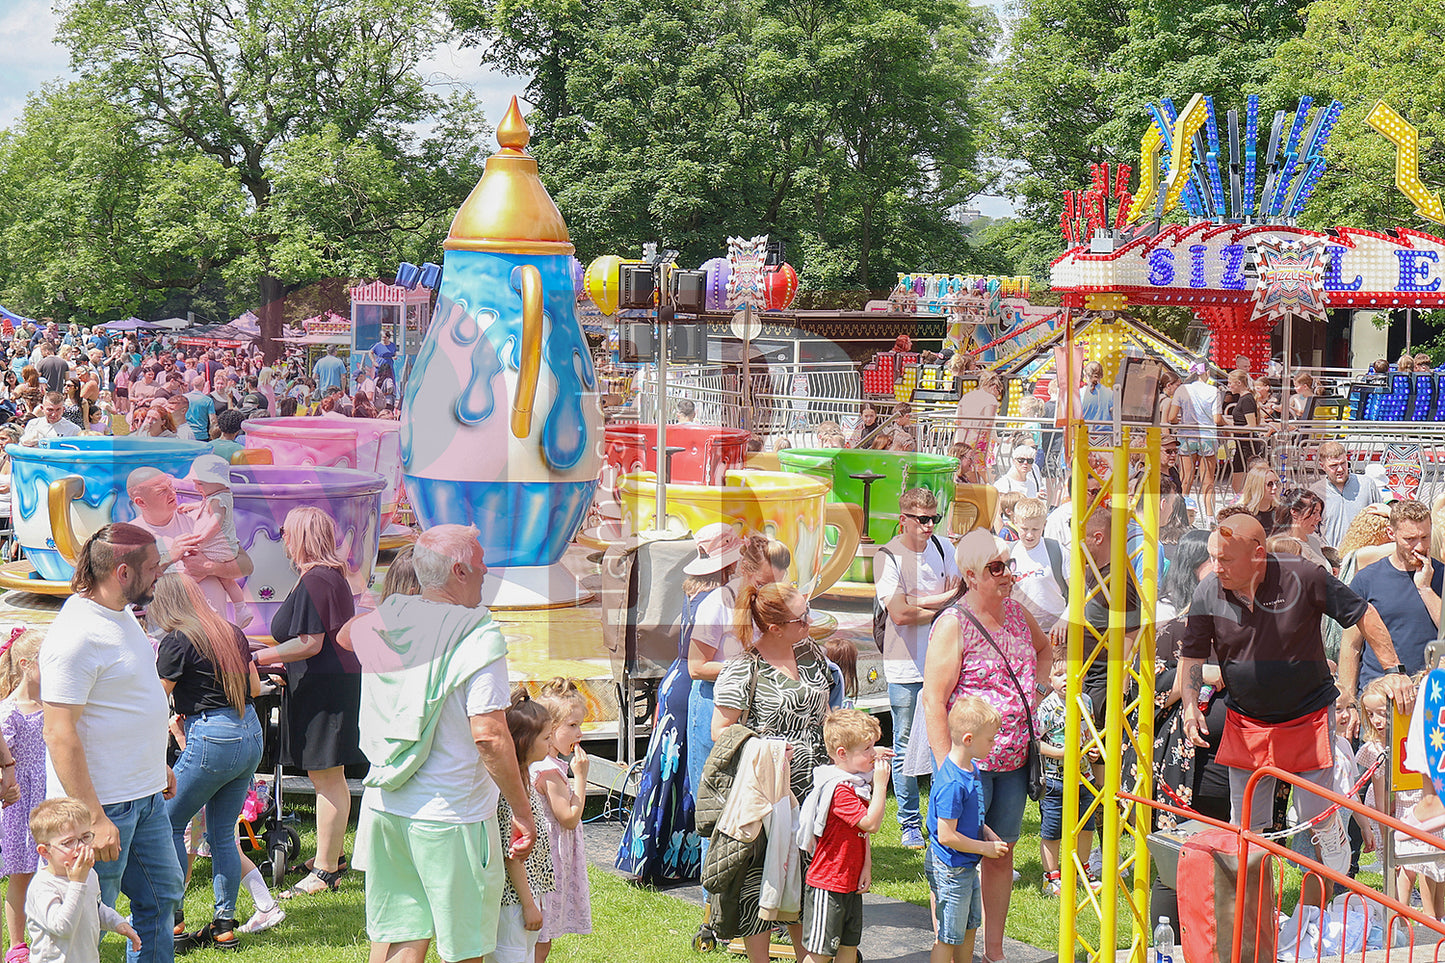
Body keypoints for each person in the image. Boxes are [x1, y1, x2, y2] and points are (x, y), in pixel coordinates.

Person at [1179, 515, 1414, 892]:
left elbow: (1362, 612)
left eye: (1225, 560)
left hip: (1308, 715)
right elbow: (1191, 655)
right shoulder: (1209, 590)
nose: (1215, 568)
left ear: (1258, 555)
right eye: (1213, 557)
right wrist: (1191, 704)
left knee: (1315, 816)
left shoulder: (1303, 576)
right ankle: (1255, 911)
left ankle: (1337, 892)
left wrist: (1394, 669)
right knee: (1247, 826)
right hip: (1246, 719)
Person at [345, 525, 536, 963]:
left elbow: (345, 636)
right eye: (481, 559)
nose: (488, 568)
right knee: (465, 949)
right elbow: (488, 735)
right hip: (453, 815)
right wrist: (522, 812)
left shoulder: (392, 615)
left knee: (401, 940)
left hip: (387, 806)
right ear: (459, 570)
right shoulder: (477, 633)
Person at [40, 524, 183, 963]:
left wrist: (155, 764)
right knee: (85, 924)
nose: (160, 574)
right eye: (153, 567)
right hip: (101, 808)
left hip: (145, 795)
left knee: (162, 898)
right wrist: (95, 819)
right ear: (123, 572)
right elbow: (59, 732)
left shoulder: (120, 614)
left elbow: (128, 701)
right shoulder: (76, 635)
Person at [921, 530, 1049, 963]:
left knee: (1002, 854)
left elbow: (1045, 648)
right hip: (970, 769)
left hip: (1014, 763)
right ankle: (950, 948)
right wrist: (946, 770)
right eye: (997, 568)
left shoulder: (1017, 614)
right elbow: (933, 699)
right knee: (957, 858)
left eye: (1009, 565)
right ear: (971, 575)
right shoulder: (954, 624)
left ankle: (994, 952)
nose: (1007, 575)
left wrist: (1039, 688)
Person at [711, 582, 833, 963]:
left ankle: (806, 958)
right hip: (769, 792)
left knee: (809, 877)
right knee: (760, 881)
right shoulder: (743, 667)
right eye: (802, 618)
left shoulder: (811, 652)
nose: (810, 622)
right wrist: (769, 750)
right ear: (776, 627)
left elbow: (824, 712)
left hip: (815, 787)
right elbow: (722, 732)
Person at [149, 574, 263, 952]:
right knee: (222, 833)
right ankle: (224, 926)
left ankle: (175, 924)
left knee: (166, 821)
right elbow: (256, 689)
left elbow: (154, 699)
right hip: (249, 730)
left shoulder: (177, 640)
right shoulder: (230, 631)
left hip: (213, 737)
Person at [254, 507, 362, 899]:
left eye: (285, 531)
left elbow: (309, 643)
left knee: (327, 777)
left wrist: (256, 659)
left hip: (325, 689)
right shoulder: (326, 577)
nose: (282, 538)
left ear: (300, 536)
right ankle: (328, 858)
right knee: (325, 776)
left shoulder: (317, 579)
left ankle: (326, 870)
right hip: (324, 683)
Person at [875, 488, 959, 848]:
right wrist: (940, 601)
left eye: (933, 518)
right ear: (903, 519)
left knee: (947, 739)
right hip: (904, 665)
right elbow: (899, 614)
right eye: (922, 519)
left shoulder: (944, 548)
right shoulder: (888, 556)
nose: (929, 526)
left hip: (942, 661)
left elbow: (960, 593)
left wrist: (919, 602)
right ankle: (909, 822)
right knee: (906, 742)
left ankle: (942, 818)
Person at [685, 532, 789, 803]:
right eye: (763, 583)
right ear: (745, 570)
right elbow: (696, 668)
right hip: (712, 703)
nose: (769, 591)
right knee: (714, 802)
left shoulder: (769, 604)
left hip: (752, 705)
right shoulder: (717, 604)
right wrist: (749, 669)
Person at [795, 709, 892, 963]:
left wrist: (866, 866)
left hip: (849, 880)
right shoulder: (840, 790)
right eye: (868, 748)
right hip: (829, 884)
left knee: (848, 948)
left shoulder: (855, 782)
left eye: (874, 746)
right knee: (820, 954)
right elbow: (871, 823)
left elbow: (861, 834)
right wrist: (881, 784)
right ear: (842, 754)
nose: (874, 754)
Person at [923, 697, 1009, 963]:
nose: (994, 744)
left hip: (965, 866)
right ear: (969, 739)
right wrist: (985, 848)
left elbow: (968, 815)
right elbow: (947, 835)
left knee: (970, 926)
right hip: (951, 869)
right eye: (990, 740)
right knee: (948, 937)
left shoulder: (970, 768)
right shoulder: (952, 783)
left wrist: (984, 831)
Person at [1341, 499, 1443, 698]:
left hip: (1430, 696)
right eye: (1410, 539)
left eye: (1425, 537)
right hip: (1379, 697)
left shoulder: (1442, 576)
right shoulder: (1367, 579)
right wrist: (1348, 702)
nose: (1420, 546)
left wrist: (1425, 588)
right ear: (1392, 535)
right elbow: (1351, 645)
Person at [24, 798, 142, 963]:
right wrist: (77, 883)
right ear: (45, 851)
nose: (80, 846)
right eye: (69, 842)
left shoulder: (89, 874)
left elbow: (94, 907)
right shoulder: (43, 886)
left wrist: (118, 923)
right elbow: (62, 927)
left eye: (86, 837)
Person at [531, 680, 592, 961]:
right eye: (572, 726)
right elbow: (567, 818)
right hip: (549, 861)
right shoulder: (550, 772)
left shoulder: (542, 764)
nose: (579, 733)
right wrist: (581, 776)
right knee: (542, 939)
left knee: (542, 936)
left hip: (550, 856)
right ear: (550, 728)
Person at [495, 693, 555, 963]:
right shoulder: (510, 793)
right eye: (546, 737)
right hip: (512, 902)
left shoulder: (525, 781)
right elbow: (513, 856)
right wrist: (529, 905)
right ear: (523, 742)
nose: (551, 742)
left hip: (527, 895)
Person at [1037, 653, 1100, 897]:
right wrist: (1061, 753)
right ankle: (1051, 876)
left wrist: (1093, 749)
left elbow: (1090, 731)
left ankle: (1082, 870)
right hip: (1055, 780)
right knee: (1052, 830)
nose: (1066, 679)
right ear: (1050, 678)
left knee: (1086, 826)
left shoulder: (1086, 701)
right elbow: (1034, 743)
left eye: (1073, 673)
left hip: (1085, 778)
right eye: (1060, 674)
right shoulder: (1046, 708)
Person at [1, 629, 46, 963]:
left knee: (49, 869)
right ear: (27, 665)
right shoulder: (10, 711)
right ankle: (18, 946)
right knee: (22, 873)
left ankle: (47, 934)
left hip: (49, 798)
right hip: (20, 805)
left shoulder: (52, 705)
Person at [179, 456, 250, 627]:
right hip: (226, 549)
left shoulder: (218, 500)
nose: (196, 487)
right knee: (226, 580)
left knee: (190, 574)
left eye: (200, 483)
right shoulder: (220, 495)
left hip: (216, 548)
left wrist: (203, 537)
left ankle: (179, 602)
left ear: (215, 481)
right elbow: (207, 505)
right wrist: (194, 506)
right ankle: (241, 609)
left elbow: (216, 521)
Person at [1167, 361, 1220, 524]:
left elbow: (1171, 417)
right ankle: (1210, 517)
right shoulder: (1214, 391)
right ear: (1208, 373)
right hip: (1208, 438)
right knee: (1208, 480)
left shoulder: (1182, 390)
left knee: (1185, 478)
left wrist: (1179, 421)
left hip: (1187, 437)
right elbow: (1217, 418)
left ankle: (1182, 513)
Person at [1310, 440, 1383, 549]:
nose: (1340, 469)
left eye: (1343, 463)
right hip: (1331, 559)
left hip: (1363, 555)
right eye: (1333, 466)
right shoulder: (1316, 492)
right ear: (1322, 466)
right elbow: (1310, 530)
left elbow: (1381, 519)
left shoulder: (1367, 485)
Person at [1009, 498, 1067, 633]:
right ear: (1015, 522)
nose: (1030, 534)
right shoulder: (1008, 553)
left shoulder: (1055, 549)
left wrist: (1065, 619)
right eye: (1024, 529)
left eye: (1035, 529)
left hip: (1053, 631)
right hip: (1019, 631)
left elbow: (1079, 590)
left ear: (1044, 525)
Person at [953, 371, 1003, 480]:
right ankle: (991, 491)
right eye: (999, 391)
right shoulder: (990, 399)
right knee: (984, 469)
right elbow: (988, 422)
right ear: (994, 387)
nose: (999, 394)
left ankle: (975, 490)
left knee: (968, 468)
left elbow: (957, 419)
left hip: (962, 438)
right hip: (979, 440)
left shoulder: (968, 396)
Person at [1274, 488, 1330, 570]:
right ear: (1294, 512)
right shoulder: (1283, 546)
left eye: (1319, 513)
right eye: (1314, 513)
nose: (1319, 518)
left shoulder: (1314, 542)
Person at [1236, 464, 1281, 537]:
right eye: (1270, 484)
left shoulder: (1280, 512)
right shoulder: (1242, 515)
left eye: (1276, 483)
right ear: (1257, 486)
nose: (1275, 487)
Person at [182, 376, 216, 442]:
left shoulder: (184, 397)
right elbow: (213, 420)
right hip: (201, 435)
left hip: (186, 433)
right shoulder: (207, 400)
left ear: (192, 384)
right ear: (203, 385)